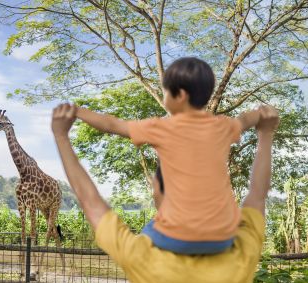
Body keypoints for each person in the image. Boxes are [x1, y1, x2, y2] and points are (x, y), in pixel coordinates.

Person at [51, 102, 278, 283]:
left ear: (158, 190)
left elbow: (90, 201)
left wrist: (61, 136)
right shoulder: (240, 252)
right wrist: (265, 135)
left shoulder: (142, 256)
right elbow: (257, 195)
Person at [74, 57, 265, 255]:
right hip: (223, 237)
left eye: (165, 92)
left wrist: (78, 111)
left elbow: (112, 125)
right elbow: (244, 120)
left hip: (179, 237)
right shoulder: (223, 126)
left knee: (143, 239)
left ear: (180, 95)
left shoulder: (163, 127)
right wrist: (261, 114)